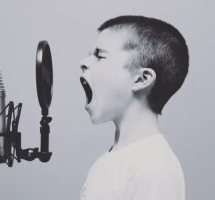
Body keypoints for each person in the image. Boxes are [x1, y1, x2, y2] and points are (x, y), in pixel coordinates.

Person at [79, 15, 189, 200]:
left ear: (141, 79)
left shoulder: (155, 169)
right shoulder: (108, 161)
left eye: (99, 55)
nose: (83, 62)